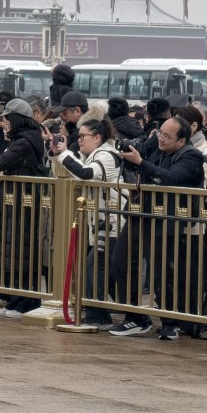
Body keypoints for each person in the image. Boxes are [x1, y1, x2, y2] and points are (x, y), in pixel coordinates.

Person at [109, 115, 204, 339]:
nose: (161, 138)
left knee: (163, 274)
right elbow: (141, 155)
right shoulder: (156, 147)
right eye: (160, 132)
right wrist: (145, 146)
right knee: (120, 262)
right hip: (139, 212)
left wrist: (140, 162)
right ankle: (134, 317)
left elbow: (171, 177)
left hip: (167, 221)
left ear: (181, 141)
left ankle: (170, 323)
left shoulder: (191, 155)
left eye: (167, 136)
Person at [50, 104, 125, 328]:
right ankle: (99, 315)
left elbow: (86, 175)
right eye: (79, 136)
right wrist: (57, 154)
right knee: (96, 270)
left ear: (98, 137)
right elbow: (72, 171)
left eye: (84, 136)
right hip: (102, 225)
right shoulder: (94, 154)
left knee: (97, 270)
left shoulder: (106, 155)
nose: (79, 140)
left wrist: (64, 154)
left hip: (113, 224)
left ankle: (103, 316)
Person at [0, 97, 46, 316]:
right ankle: (16, 298)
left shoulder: (25, 141)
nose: (5, 122)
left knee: (23, 250)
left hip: (24, 201)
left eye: (8, 119)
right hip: (16, 201)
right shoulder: (23, 137)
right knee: (14, 249)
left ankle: (27, 300)